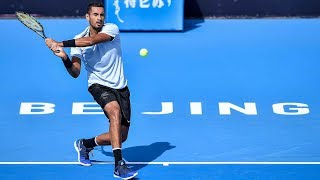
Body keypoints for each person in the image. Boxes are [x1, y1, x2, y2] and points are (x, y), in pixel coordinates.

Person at [45, 2, 138, 179]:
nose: (99, 18)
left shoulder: (111, 29)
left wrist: (60, 43)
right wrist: (64, 58)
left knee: (121, 135)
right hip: (97, 84)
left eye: (102, 15)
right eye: (95, 15)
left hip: (120, 86)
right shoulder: (77, 39)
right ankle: (119, 165)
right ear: (87, 17)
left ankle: (85, 144)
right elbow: (75, 72)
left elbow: (91, 41)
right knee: (114, 112)